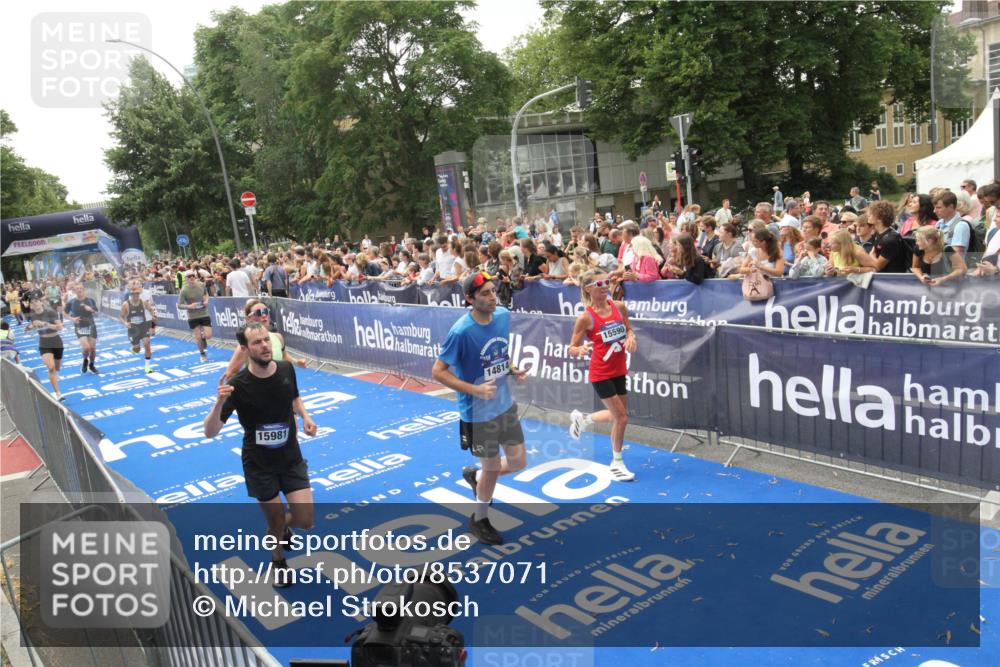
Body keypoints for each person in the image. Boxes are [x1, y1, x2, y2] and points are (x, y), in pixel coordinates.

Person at [203, 322, 318, 587]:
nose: (265, 346)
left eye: (266, 340)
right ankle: (278, 560)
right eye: (257, 342)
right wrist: (219, 402)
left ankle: (278, 530)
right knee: (275, 519)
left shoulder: (287, 369)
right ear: (244, 349)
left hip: (291, 458)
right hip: (259, 465)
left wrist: (306, 417)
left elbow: (294, 396)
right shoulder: (237, 385)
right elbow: (210, 432)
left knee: (305, 520)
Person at [431, 272, 530, 546]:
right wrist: (475, 390)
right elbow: (438, 372)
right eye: (484, 293)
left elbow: (499, 352)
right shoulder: (461, 331)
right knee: (491, 467)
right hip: (477, 413)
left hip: (505, 404)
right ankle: (479, 518)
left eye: (493, 291)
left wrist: (511, 370)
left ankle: (476, 476)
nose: (492, 297)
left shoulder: (502, 315)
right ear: (469, 299)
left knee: (519, 462)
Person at [566, 268, 638, 482]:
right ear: (588, 289)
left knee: (618, 414)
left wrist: (631, 337)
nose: (605, 286)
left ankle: (583, 419)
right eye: (599, 284)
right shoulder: (586, 318)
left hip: (619, 369)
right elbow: (572, 347)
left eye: (607, 282)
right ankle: (617, 463)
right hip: (600, 372)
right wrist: (579, 350)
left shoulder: (619, 306)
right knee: (622, 417)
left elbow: (629, 329)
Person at [220, 300, 307, 383]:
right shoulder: (245, 346)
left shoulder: (278, 337)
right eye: (258, 313)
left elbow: (284, 355)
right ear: (248, 319)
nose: (264, 315)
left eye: (265, 311)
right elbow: (230, 375)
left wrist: (296, 362)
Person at [26, 298, 65, 400]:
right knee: (51, 367)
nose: (35, 304)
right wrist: (30, 327)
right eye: (32, 303)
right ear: (31, 306)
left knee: (57, 367)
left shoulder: (50, 312)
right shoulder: (32, 315)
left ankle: (56, 372)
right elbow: (30, 327)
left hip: (56, 341)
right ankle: (58, 393)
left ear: (41, 302)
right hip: (44, 343)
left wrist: (45, 324)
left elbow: (60, 327)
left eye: (36, 301)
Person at [120, 280, 156, 373]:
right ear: (130, 295)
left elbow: (151, 309)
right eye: (133, 294)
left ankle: (147, 367)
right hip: (133, 329)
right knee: (137, 349)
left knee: (147, 344)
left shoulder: (143, 302)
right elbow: (121, 316)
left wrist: (153, 315)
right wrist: (125, 323)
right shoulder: (126, 304)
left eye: (137, 294)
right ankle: (134, 348)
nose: (135, 296)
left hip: (143, 326)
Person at [65, 284, 100, 374]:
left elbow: (97, 313)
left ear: (84, 290)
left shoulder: (90, 300)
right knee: (87, 348)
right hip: (80, 326)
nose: (79, 290)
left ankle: (91, 365)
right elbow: (64, 313)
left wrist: (91, 310)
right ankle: (85, 360)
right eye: (77, 289)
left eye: (81, 288)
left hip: (91, 326)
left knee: (92, 349)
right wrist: (72, 319)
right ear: (74, 291)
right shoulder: (71, 302)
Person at [178, 270, 213, 362]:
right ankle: (202, 354)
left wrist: (206, 301)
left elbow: (206, 294)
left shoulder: (201, 285)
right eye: (189, 276)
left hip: (204, 313)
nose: (192, 278)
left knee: (208, 335)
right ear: (186, 279)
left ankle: (204, 338)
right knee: (197, 337)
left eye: (193, 276)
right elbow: (179, 305)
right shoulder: (184, 290)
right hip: (193, 316)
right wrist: (189, 306)